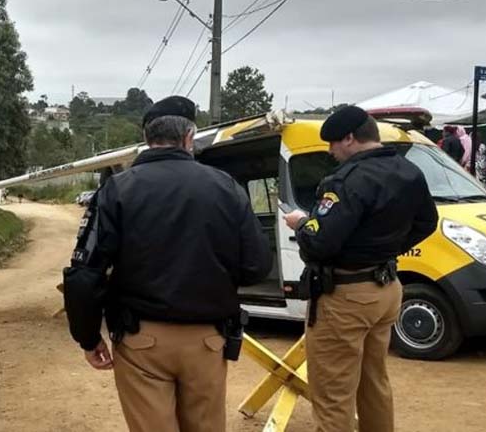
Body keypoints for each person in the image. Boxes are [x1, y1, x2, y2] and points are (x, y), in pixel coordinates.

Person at [63, 95, 272, 432]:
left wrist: (88, 338)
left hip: (142, 340)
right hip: (208, 339)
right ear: (190, 137)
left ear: (147, 138)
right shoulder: (226, 188)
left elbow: (84, 275)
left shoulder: (117, 190)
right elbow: (257, 266)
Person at [282, 106, 438, 432]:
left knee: (333, 394)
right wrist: (385, 249)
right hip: (386, 287)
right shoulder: (408, 172)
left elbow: (319, 242)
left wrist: (301, 225)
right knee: (374, 381)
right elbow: (427, 222)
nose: (331, 151)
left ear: (350, 138)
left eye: (333, 144)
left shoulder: (345, 181)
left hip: (346, 296)